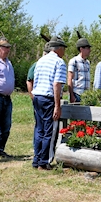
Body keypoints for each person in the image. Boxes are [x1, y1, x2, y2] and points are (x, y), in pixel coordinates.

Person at [31, 36, 67, 170]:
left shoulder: (40, 61)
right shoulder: (59, 62)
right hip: (48, 98)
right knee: (49, 131)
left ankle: (36, 159)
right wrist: (57, 106)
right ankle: (43, 161)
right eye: (64, 49)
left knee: (39, 130)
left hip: (37, 96)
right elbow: (56, 84)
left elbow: (35, 79)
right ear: (59, 48)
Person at [67, 37, 92, 103]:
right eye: (88, 48)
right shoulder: (73, 61)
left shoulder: (87, 63)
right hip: (77, 94)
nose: (90, 50)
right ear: (81, 49)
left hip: (86, 95)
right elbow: (69, 79)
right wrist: (71, 95)